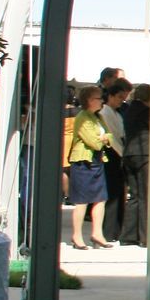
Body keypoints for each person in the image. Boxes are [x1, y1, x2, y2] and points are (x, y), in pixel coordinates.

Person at [62, 85, 114, 249]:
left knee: (100, 198)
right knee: (82, 200)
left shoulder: (97, 118)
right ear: (90, 100)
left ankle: (97, 233)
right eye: (99, 98)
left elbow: (110, 134)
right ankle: (76, 236)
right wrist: (104, 139)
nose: (102, 101)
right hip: (83, 162)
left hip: (97, 161)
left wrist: (105, 138)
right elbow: (94, 142)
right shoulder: (82, 117)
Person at [118, 83, 150, 246]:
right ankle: (146, 237)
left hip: (129, 154)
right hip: (144, 153)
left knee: (135, 196)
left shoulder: (130, 109)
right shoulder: (147, 111)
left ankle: (128, 235)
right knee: (146, 196)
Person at [98, 79, 130, 242]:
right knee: (112, 193)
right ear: (110, 96)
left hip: (118, 153)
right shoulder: (105, 112)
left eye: (123, 98)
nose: (121, 101)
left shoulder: (116, 113)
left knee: (118, 192)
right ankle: (109, 230)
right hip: (111, 154)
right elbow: (111, 136)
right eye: (119, 97)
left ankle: (115, 229)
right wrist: (122, 153)